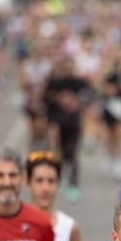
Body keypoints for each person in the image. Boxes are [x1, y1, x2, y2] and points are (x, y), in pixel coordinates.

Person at [44, 54, 89, 200]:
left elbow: (90, 94)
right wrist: (59, 99)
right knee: (59, 153)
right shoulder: (55, 82)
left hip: (74, 122)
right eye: (65, 66)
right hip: (58, 122)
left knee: (73, 153)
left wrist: (78, 102)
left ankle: (73, 185)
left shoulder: (78, 82)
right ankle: (60, 177)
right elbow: (45, 99)